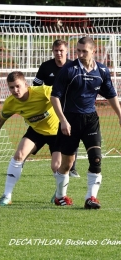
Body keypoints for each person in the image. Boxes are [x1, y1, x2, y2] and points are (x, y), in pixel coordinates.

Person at [50, 36, 121, 209]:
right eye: (78, 50)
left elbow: (111, 94)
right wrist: (63, 121)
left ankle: (91, 198)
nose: (80, 54)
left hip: (90, 120)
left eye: (84, 51)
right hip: (70, 120)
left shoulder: (102, 71)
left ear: (94, 51)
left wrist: (120, 115)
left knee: (96, 158)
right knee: (66, 164)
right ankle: (60, 196)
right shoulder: (69, 69)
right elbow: (54, 97)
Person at [0, 71, 61, 206]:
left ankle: (59, 194)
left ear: (26, 85)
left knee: (56, 167)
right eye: (11, 87)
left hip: (57, 131)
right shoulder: (11, 102)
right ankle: (6, 196)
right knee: (19, 155)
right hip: (36, 131)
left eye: (18, 86)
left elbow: (61, 95)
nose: (15, 90)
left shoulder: (43, 91)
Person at [33, 39, 80, 178]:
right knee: (49, 135)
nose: (59, 53)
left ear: (66, 51)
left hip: (70, 107)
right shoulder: (45, 67)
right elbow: (36, 87)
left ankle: (71, 168)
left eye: (61, 51)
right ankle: (20, 160)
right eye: (56, 51)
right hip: (50, 109)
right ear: (53, 51)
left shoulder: (74, 66)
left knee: (72, 135)